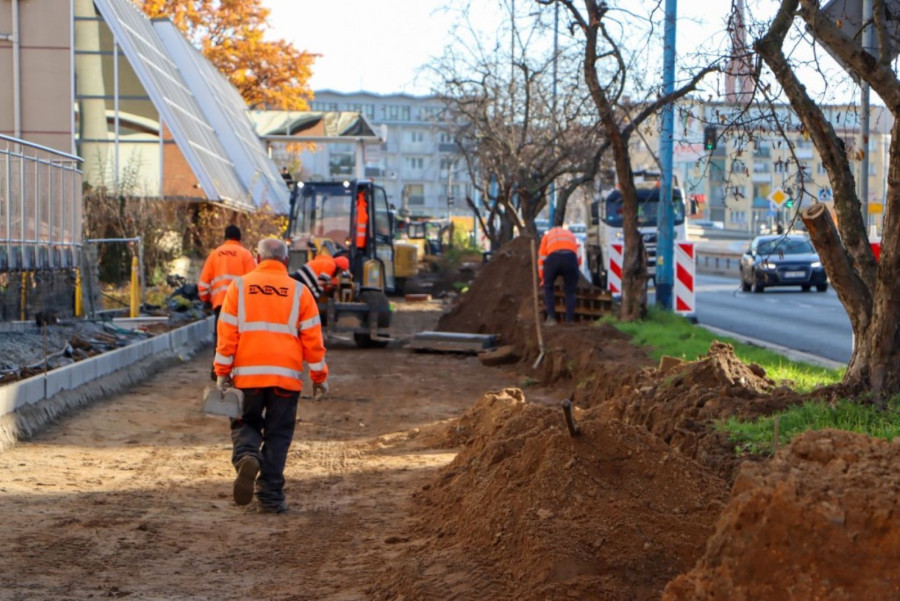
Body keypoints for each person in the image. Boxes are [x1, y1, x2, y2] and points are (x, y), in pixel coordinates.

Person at [213, 238, 329, 514]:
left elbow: (227, 335)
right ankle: (270, 497)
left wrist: (221, 372)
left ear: (256, 257)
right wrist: (319, 376)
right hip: (285, 379)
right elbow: (313, 340)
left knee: (245, 423)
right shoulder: (300, 292)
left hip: (247, 377)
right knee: (278, 434)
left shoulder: (238, 288)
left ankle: (247, 456)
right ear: (287, 261)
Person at [198, 225, 256, 377]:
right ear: (239, 239)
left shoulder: (214, 255)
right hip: (240, 305)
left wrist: (206, 299)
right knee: (239, 338)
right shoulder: (246, 255)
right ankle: (238, 369)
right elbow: (253, 281)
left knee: (221, 337)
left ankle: (217, 370)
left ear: (225, 238)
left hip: (220, 304)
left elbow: (203, 284)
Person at [538, 226, 581, 325]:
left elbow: (541, 258)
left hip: (553, 259)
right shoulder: (571, 235)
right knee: (570, 291)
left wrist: (543, 279)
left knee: (548, 288)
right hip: (570, 258)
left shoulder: (547, 236)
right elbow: (578, 256)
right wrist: (575, 272)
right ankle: (570, 320)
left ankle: (551, 319)